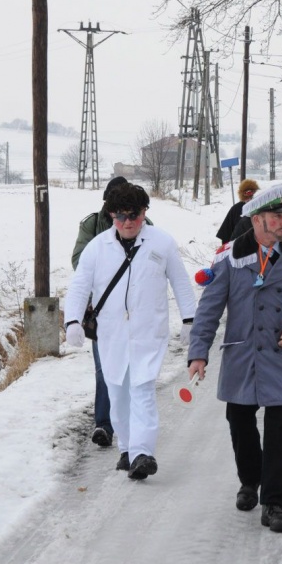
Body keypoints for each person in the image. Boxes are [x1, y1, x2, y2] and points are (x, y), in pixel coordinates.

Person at [188, 184, 282, 533]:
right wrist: (198, 354)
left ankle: (275, 504)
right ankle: (250, 481)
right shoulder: (230, 258)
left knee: (279, 430)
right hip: (242, 355)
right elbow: (209, 310)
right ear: (257, 220)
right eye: (277, 217)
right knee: (240, 423)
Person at [64, 182, 196, 481]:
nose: (127, 222)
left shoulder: (161, 243)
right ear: (111, 215)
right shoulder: (97, 247)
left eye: (133, 215)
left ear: (144, 212)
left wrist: (190, 319)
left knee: (142, 388)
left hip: (148, 331)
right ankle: (126, 447)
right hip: (111, 333)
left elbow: (181, 282)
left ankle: (142, 453)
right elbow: (80, 286)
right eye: (119, 215)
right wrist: (72, 320)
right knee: (117, 390)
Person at [71, 175, 127, 448]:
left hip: (133, 312)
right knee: (104, 368)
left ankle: (128, 422)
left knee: (131, 369)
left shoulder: (144, 225)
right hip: (102, 310)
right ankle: (103, 425)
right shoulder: (92, 225)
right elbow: (78, 262)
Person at [216, 178, 259, 242]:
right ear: (242, 193)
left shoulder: (257, 206)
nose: (249, 195)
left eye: (251, 192)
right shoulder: (235, 209)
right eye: (247, 192)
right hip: (237, 244)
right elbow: (226, 231)